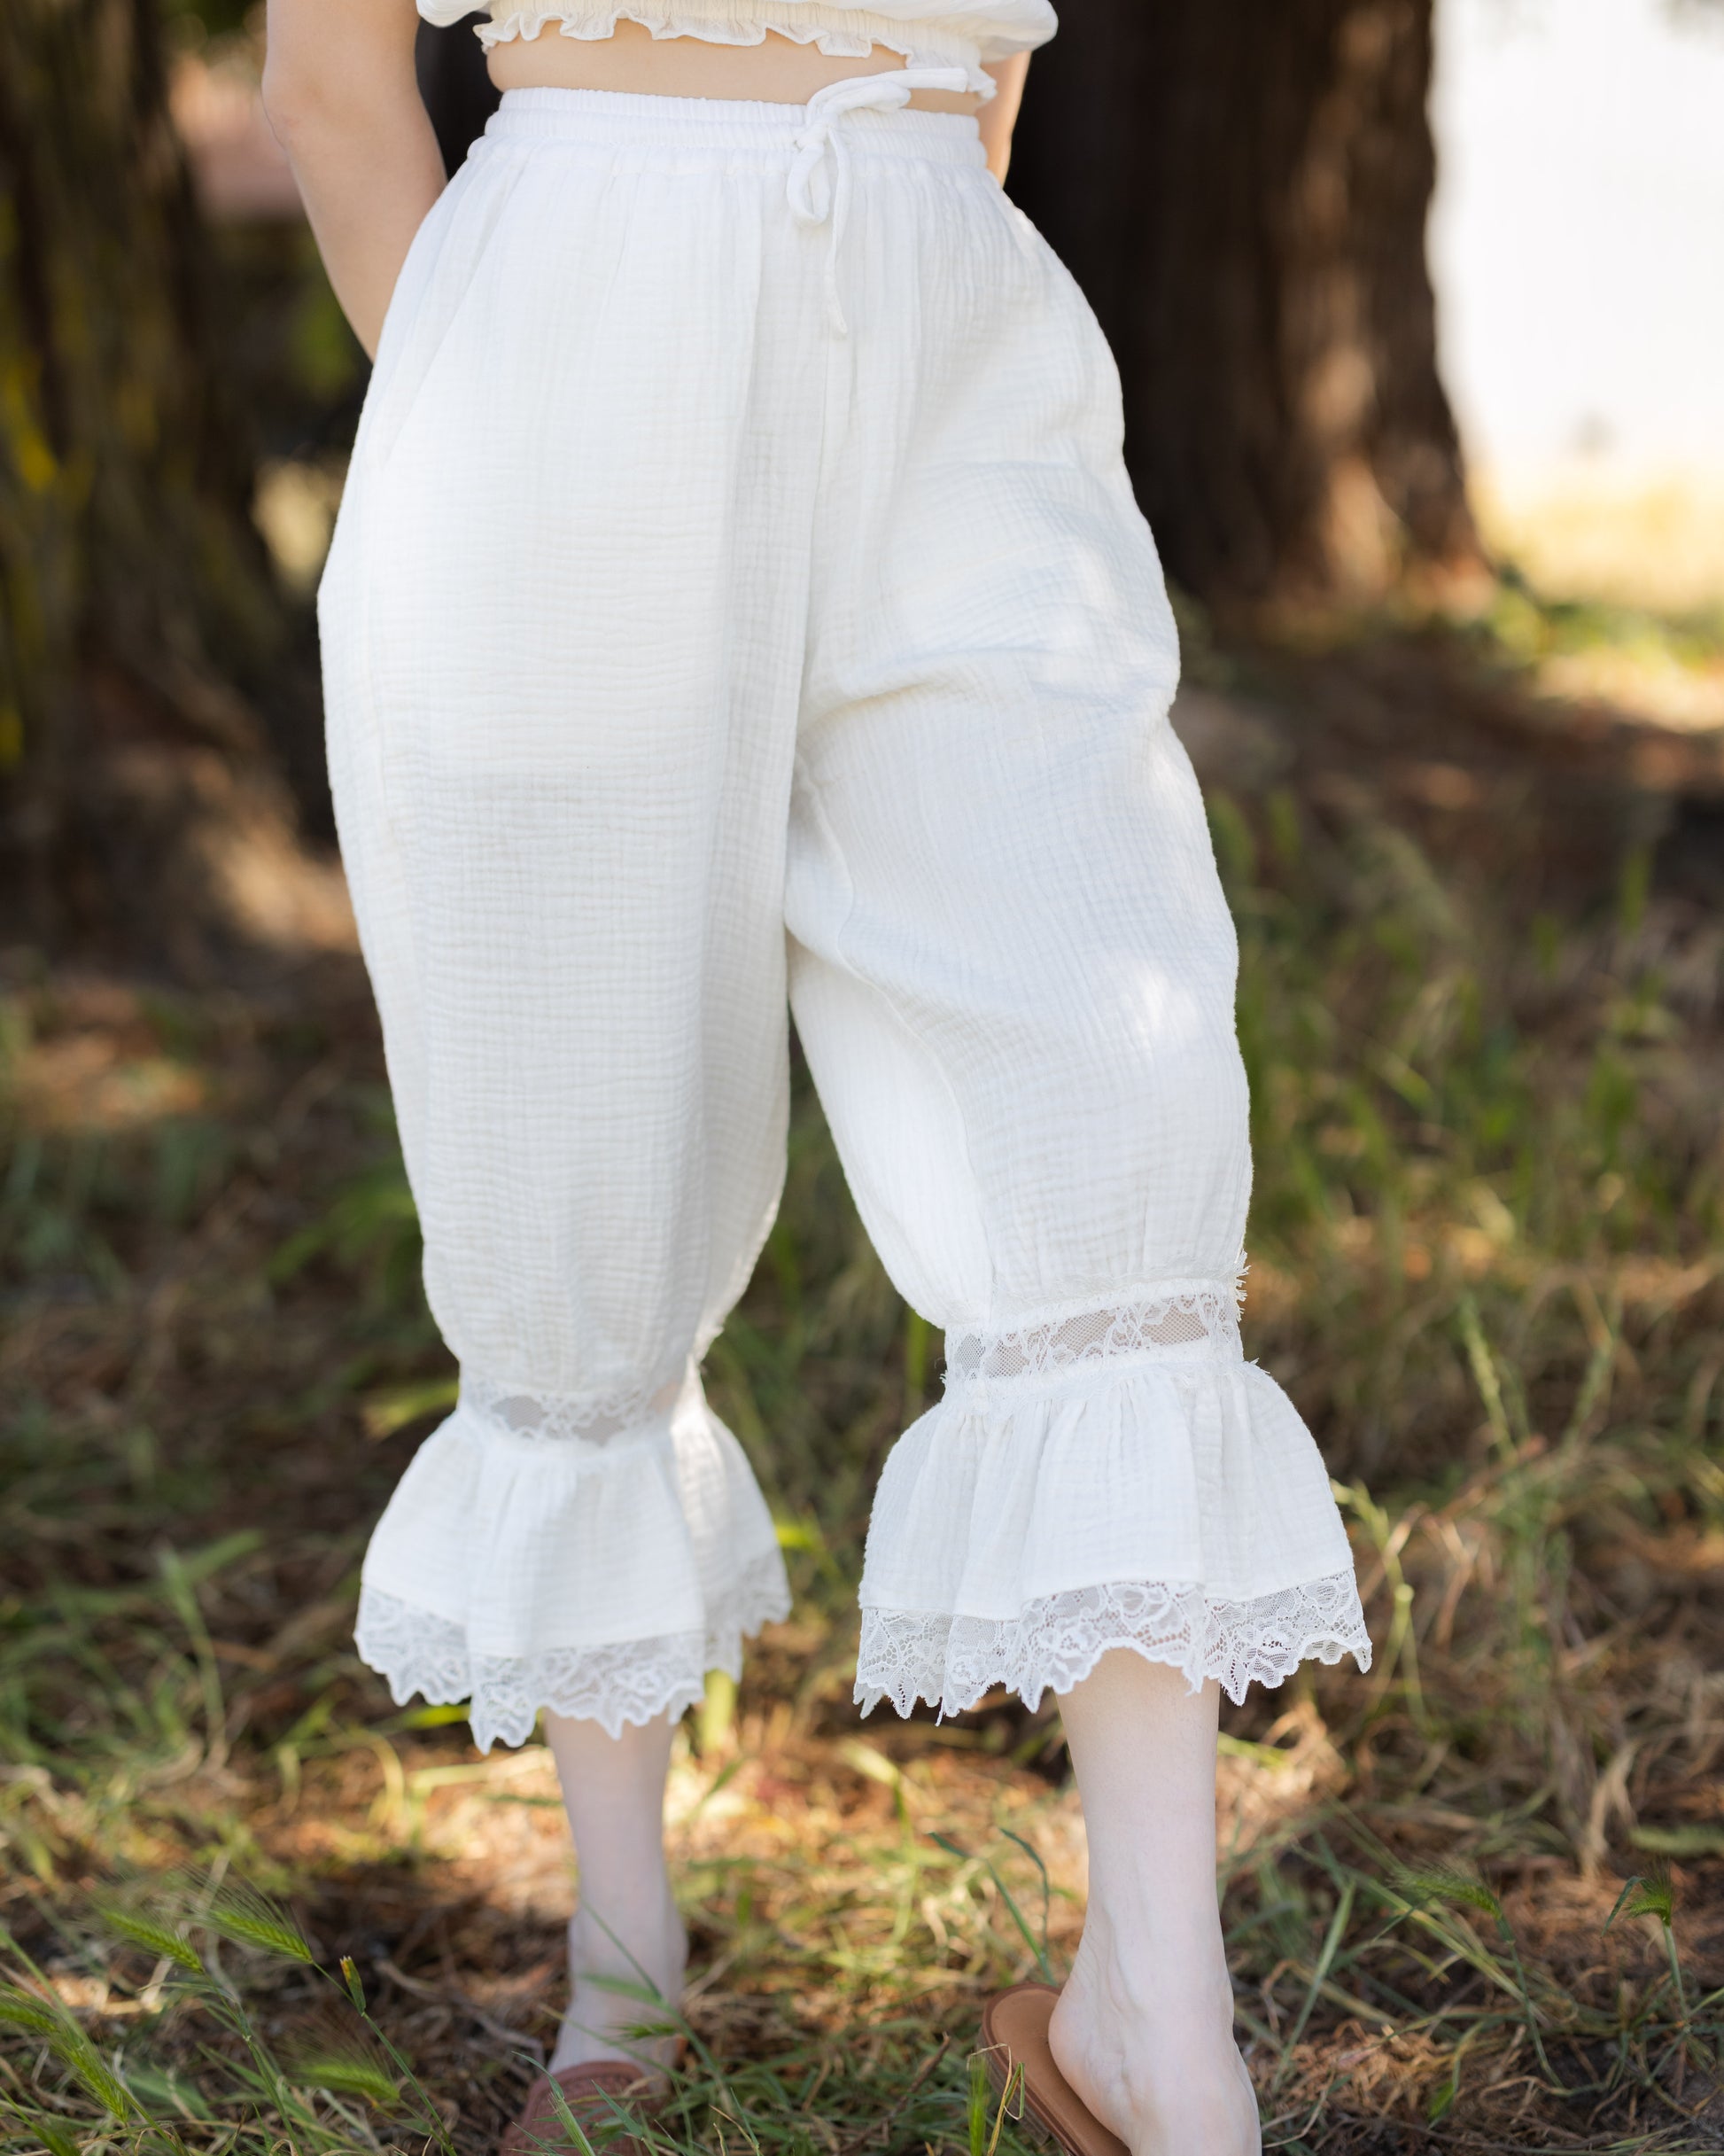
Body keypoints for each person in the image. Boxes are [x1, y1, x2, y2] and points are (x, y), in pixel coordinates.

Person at [260, 4, 1371, 2150]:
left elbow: (996, 67)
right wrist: (489, 412)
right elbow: (327, 85)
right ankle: (620, 1972)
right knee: (572, 1149)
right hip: (555, 332)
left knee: (1105, 1095)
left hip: (949, 317)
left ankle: (1163, 2018)